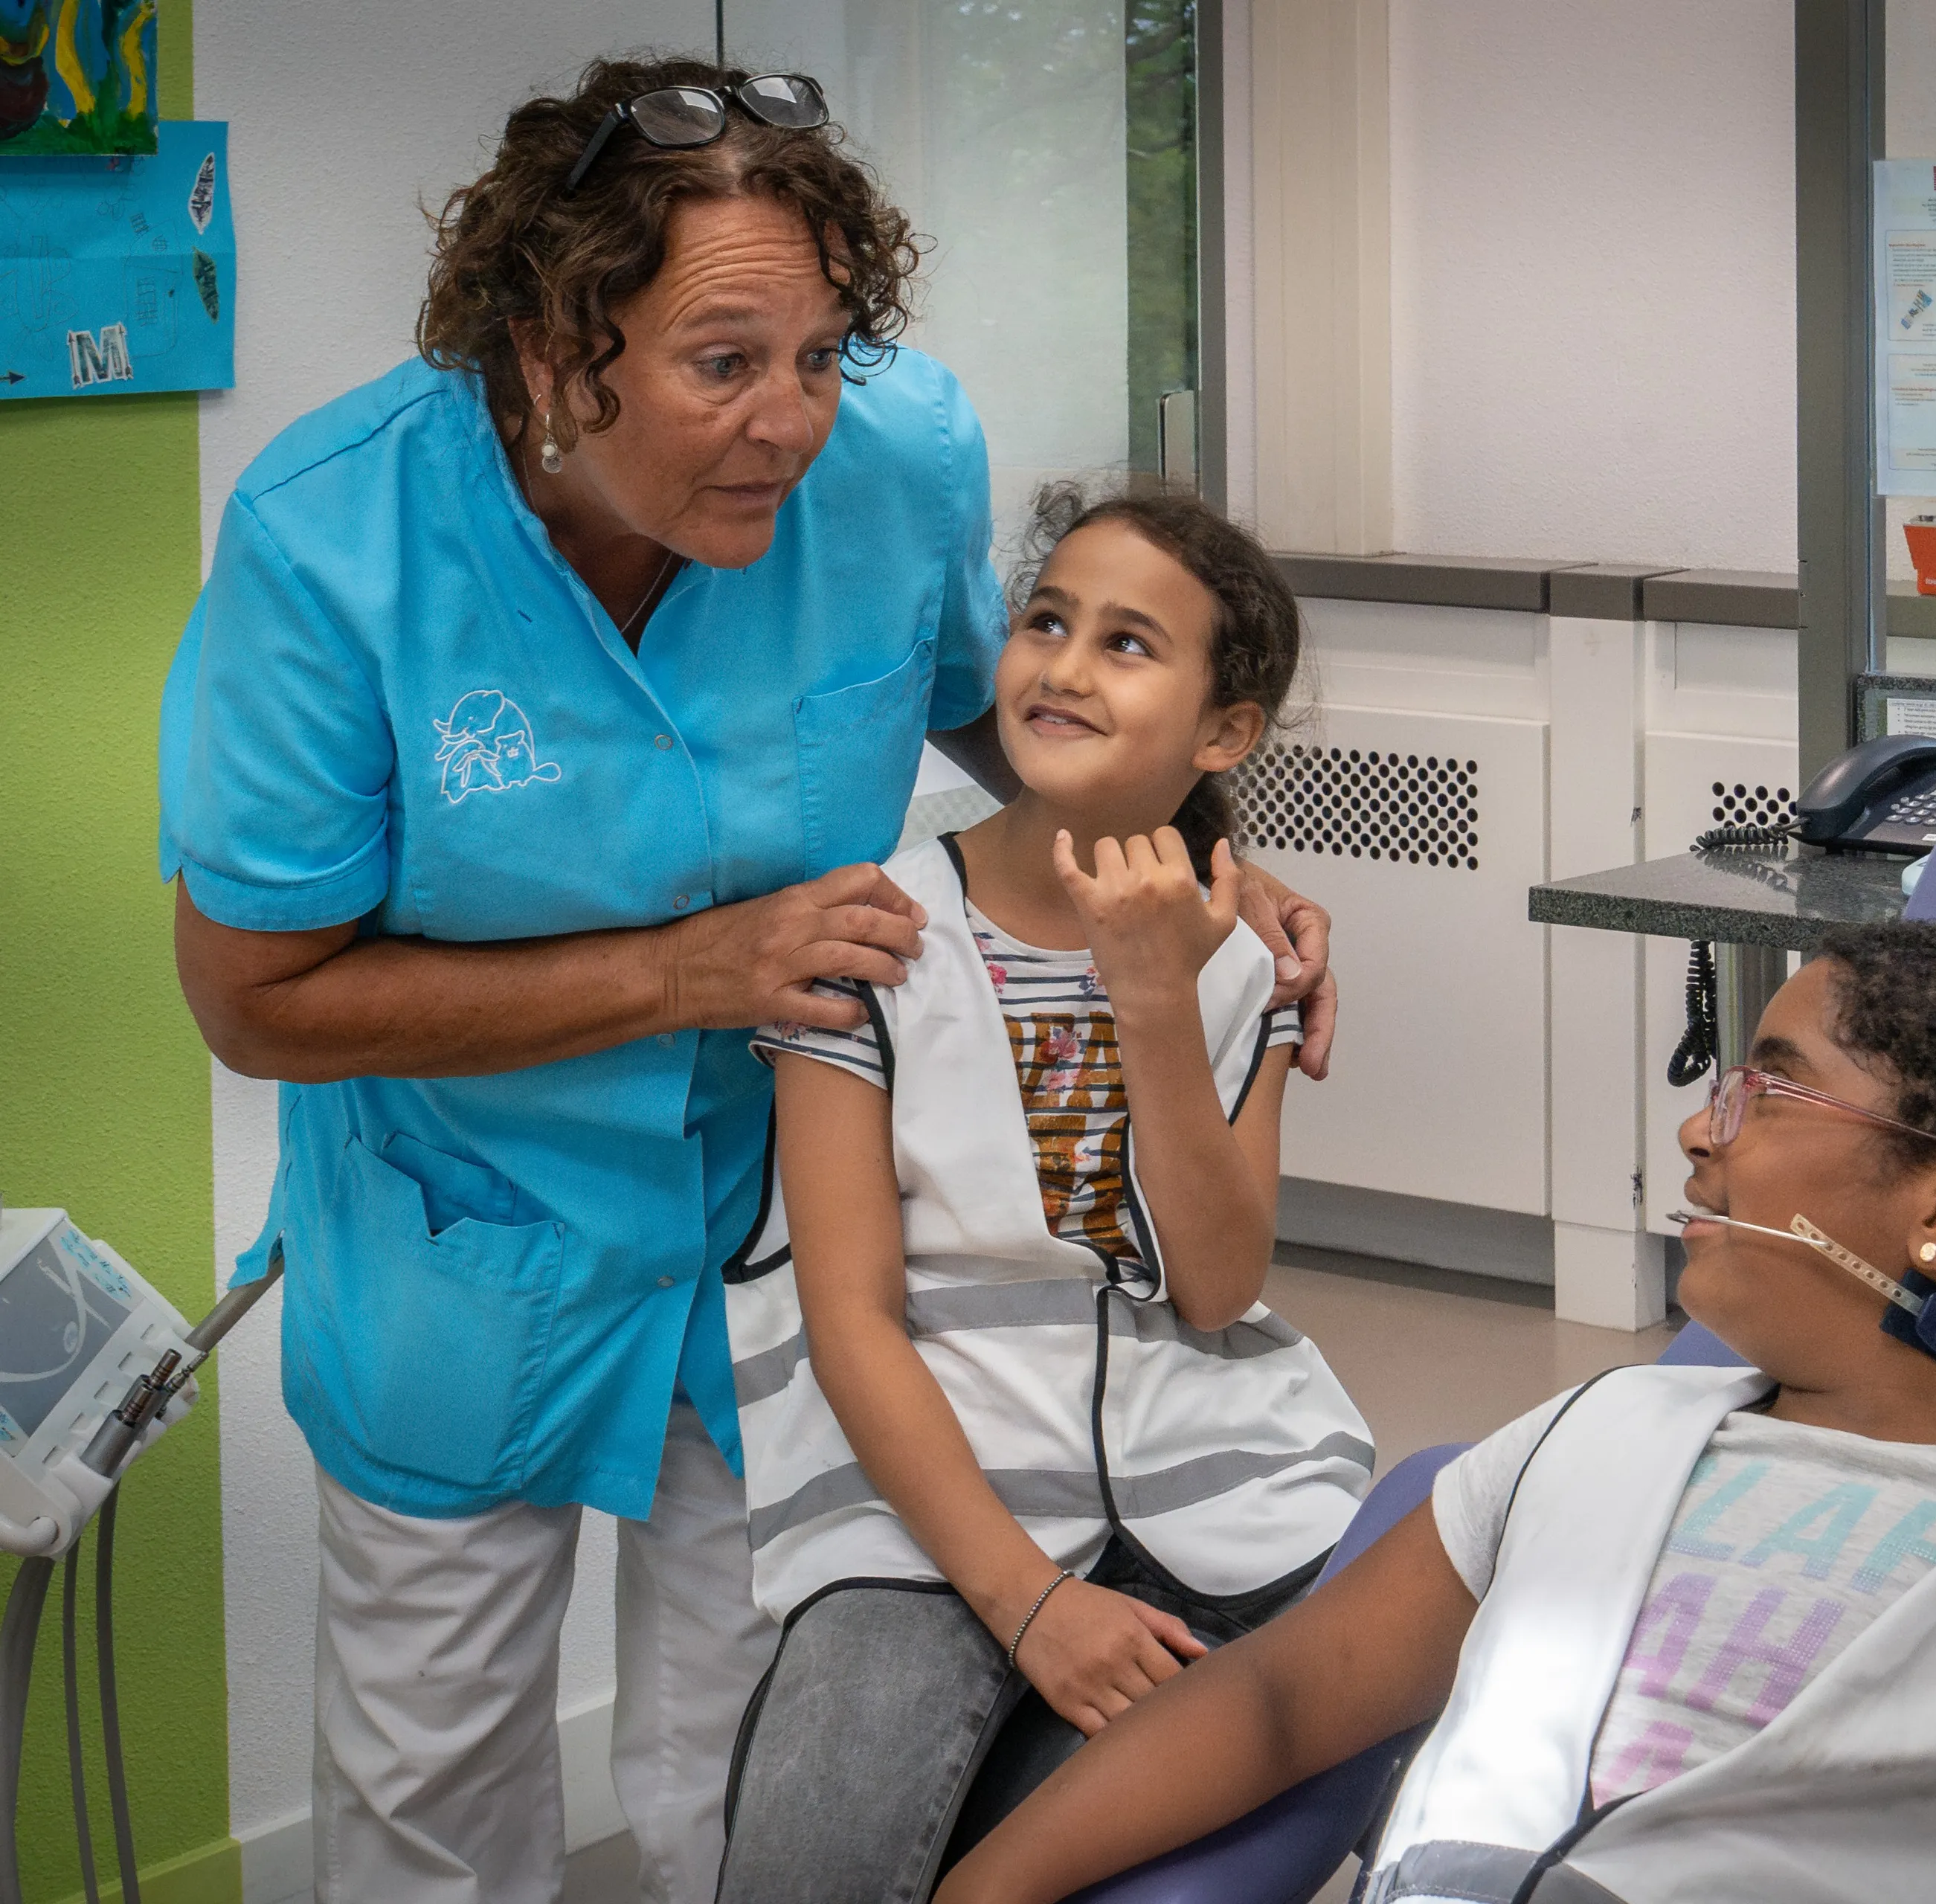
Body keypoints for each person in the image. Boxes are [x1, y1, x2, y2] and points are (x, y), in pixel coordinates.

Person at [157, 57, 1331, 1904]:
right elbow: (255, 1000)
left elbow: (1029, 725)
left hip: (785, 1238)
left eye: (820, 350)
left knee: (741, 1765)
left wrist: (1203, 877)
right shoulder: (336, 545)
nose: (791, 420)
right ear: (555, 347)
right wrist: (683, 972)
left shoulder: (897, 454)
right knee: (433, 1799)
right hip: (472, 1240)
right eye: (723, 364)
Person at [935, 922, 1936, 1904]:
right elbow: (1274, 1697)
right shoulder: (1597, 1430)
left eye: (1772, 1089)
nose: (1702, 1123)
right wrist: (982, 1885)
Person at [714, 487, 1371, 1903]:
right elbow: (851, 1323)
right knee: (814, 1858)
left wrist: (1154, 1001)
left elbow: (1214, 1286)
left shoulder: (1239, 958)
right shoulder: (871, 940)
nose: (1064, 666)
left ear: (1223, 731)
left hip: (1209, 1492)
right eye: (1046, 621)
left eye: (1128, 643)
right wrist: (1033, 1610)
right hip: (924, 1508)